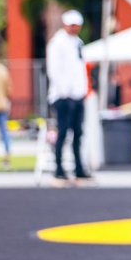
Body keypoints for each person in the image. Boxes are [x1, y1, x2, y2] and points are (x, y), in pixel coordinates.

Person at [46, 10, 91, 182]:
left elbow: (79, 69)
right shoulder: (57, 43)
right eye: (72, 25)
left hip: (77, 94)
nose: (74, 29)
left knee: (78, 133)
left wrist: (81, 91)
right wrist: (65, 92)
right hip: (63, 96)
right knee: (63, 132)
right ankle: (59, 167)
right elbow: (54, 70)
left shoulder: (78, 43)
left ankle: (79, 167)